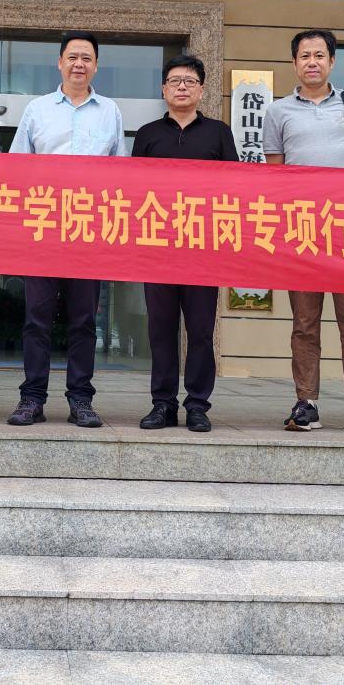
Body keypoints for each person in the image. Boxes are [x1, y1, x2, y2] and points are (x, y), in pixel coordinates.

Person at [262, 28, 344, 436]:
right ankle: (306, 403)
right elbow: (276, 172)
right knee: (304, 321)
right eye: (304, 56)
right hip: (302, 231)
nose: (311, 62)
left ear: (332, 61)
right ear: (294, 63)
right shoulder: (278, 111)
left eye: (319, 55)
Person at [7, 30, 124, 428]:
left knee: (84, 321)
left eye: (86, 58)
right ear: (59, 63)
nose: (79, 64)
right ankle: (32, 398)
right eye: (72, 57)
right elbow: (16, 169)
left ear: (96, 65)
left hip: (88, 231)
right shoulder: (37, 110)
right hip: (42, 229)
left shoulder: (110, 111)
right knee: (36, 318)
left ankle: (81, 399)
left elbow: (120, 175)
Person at [131, 54, 237, 432]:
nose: (181, 87)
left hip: (203, 247)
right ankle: (162, 404)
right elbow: (131, 191)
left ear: (201, 90)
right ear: (163, 89)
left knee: (201, 331)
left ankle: (197, 405)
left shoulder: (218, 133)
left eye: (189, 81)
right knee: (160, 330)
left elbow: (235, 188)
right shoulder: (147, 134)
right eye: (174, 81)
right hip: (158, 246)